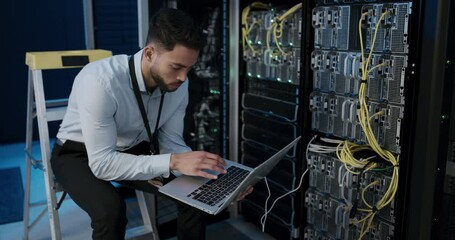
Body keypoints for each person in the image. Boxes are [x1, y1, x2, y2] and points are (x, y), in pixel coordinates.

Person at [50, 8, 252, 240]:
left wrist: (217, 183)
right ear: (149, 54)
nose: (184, 78)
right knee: (111, 211)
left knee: (196, 193)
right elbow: (103, 164)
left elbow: (170, 142)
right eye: (176, 67)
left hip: (131, 145)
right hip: (79, 154)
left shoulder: (178, 84)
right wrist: (174, 161)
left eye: (189, 68)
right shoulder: (99, 82)